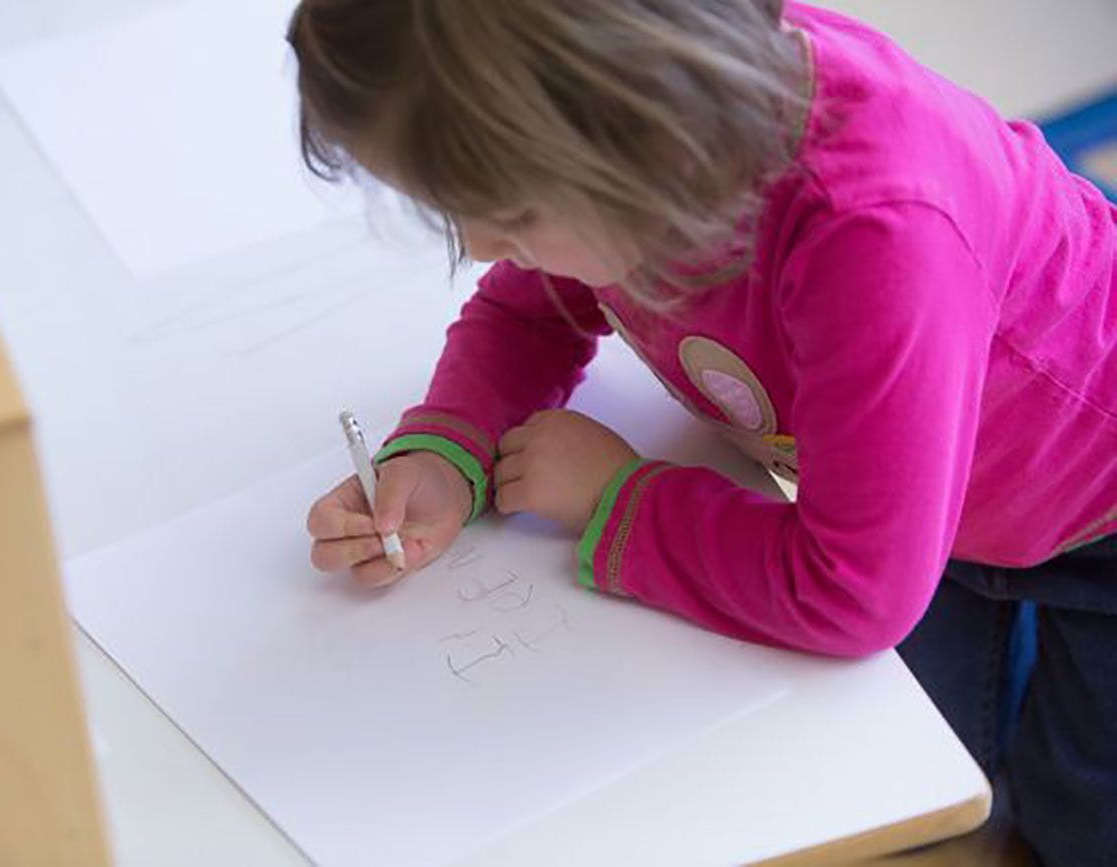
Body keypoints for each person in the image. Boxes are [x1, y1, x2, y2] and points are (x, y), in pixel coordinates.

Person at [291, 2, 1117, 862]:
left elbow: (853, 589)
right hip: (952, 507)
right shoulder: (643, 141)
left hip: (1098, 509)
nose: (483, 244)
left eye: (510, 214)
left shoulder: (876, 230)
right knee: (927, 764)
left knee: (1080, 812)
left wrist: (619, 500)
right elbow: (531, 311)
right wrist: (447, 444)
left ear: (649, 144)